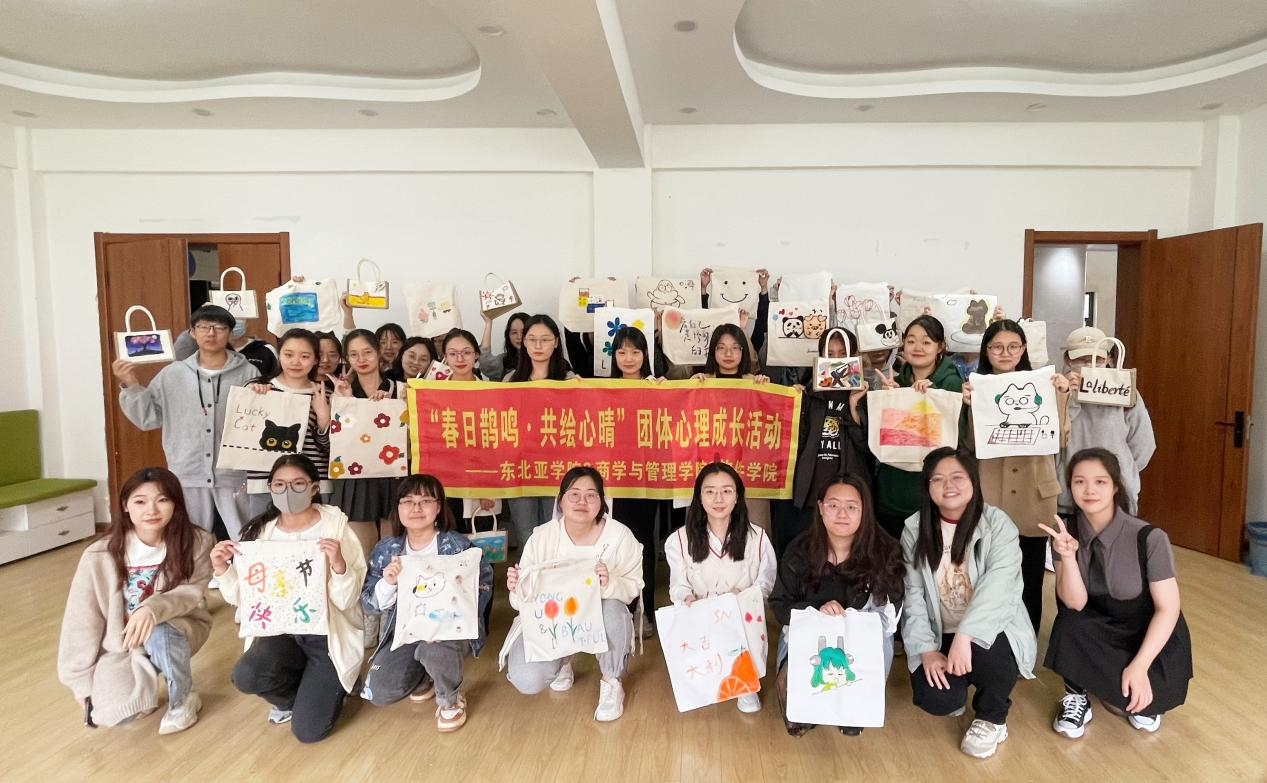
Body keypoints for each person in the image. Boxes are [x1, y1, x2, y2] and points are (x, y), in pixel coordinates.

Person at [212, 455, 367, 743]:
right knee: (246, 675)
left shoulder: (335, 529)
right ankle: (295, 696)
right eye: (279, 485)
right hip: (282, 634)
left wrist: (339, 565)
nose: (288, 491)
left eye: (298, 484)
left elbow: (347, 601)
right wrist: (222, 569)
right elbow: (244, 598)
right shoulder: (260, 532)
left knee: (308, 732)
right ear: (270, 488)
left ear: (314, 488)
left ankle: (331, 683)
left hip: (325, 637)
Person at [1040, 448, 1191, 738]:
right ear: (1070, 487)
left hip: (1146, 634)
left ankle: (1120, 679)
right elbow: (1075, 603)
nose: (1089, 490)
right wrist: (1068, 557)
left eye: (1100, 481)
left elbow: (1168, 609)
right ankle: (1076, 695)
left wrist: (1140, 666)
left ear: (1116, 487)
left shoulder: (1149, 537)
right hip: (1094, 630)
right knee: (1070, 621)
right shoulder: (1064, 533)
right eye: (1079, 481)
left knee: (1139, 702)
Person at [901, 447, 1037, 760]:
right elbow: (913, 595)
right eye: (938, 479)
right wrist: (926, 650)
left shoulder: (998, 524)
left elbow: (998, 588)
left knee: (986, 654)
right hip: (941, 631)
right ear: (927, 487)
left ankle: (992, 717)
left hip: (990, 628)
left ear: (974, 481)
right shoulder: (915, 529)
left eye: (957, 477)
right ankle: (959, 688)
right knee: (937, 697)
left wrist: (965, 636)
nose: (948, 485)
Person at [58, 467, 214, 734]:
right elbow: (81, 620)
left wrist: (151, 609)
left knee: (158, 631)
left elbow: (190, 593)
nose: (151, 510)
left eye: (162, 500)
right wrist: (80, 683)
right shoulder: (98, 554)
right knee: (115, 714)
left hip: (178, 627)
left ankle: (183, 697)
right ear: (125, 506)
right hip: (123, 645)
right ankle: (142, 686)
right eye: (140, 501)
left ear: (176, 504)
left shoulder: (196, 541)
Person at [500, 467, 643, 722]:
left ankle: (611, 679)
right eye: (574, 494)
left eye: (591, 495)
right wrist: (517, 588)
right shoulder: (542, 537)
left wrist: (609, 583)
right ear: (561, 500)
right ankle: (563, 659)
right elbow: (523, 602)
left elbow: (633, 585)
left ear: (602, 501)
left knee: (613, 609)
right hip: (555, 619)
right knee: (527, 677)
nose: (581, 502)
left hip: (601, 613)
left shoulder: (620, 536)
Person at [770, 475, 904, 736]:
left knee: (855, 695)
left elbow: (891, 614)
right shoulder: (799, 550)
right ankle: (807, 709)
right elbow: (779, 604)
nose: (842, 514)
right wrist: (815, 611)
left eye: (851, 507)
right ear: (820, 508)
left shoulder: (885, 551)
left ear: (864, 510)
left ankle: (854, 708)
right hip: (810, 633)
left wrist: (852, 618)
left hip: (862, 638)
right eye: (833, 505)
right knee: (795, 703)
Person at [359, 474, 493, 732]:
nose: (416, 508)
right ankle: (424, 678)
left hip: (449, 630)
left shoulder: (458, 547)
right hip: (405, 631)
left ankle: (450, 698)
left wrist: (461, 601)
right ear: (398, 508)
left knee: (435, 648)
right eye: (408, 501)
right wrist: (388, 583)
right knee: (380, 690)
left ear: (439, 507)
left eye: (425, 501)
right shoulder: (387, 550)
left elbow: (483, 586)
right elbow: (369, 606)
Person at [961, 319, 1070, 633]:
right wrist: (967, 407)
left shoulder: (1045, 384)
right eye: (997, 346)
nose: (1005, 352)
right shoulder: (976, 387)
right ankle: (992, 640)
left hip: (1034, 496)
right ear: (986, 351)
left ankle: (1027, 643)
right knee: (988, 573)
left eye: (1013, 346)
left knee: (1031, 578)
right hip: (991, 493)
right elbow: (969, 444)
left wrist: (1062, 396)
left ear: (1023, 349)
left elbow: (1061, 440)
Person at [113, 304, 257, 538]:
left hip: (234, 473)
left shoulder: (249, 373)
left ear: (230, 333)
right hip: (188, 470)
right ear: (192, 332)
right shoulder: (172, 374)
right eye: (204, 327)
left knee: (244, 536)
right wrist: (131, 384)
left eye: (219, 328)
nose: (211, 333)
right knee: (190, 539)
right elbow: (148, 418)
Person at [665, 463, 777, 713]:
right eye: (710, 491)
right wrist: (687, 597)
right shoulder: (679, 540)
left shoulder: (757, 538)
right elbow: (678, 585)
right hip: (701, 613)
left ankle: (746, 682)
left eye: (726, 491)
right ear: (699, 497)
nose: (718, 499)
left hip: (741, 615)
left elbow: (766, 582)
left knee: (747, 614)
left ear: (737, 496)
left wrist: (744, 598)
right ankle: (704, 678)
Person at [871, 315, 965, 540]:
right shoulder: (894, 383)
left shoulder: (952, 384)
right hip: (891, 492)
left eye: (926, 342)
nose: (918, 347)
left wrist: (935, 397)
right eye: (911, 341)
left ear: (940, 347)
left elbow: (960, 438)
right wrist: (888, 399)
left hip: (932, 496)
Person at [1057, 326, 1156, 517]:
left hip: (1117, 496)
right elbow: (1054, 439)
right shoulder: (1058, 391)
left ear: (1109, 359)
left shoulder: (1126, 393)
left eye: (1097, 359)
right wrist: (1068, 397)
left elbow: (1144, 444)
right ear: (1068, 360)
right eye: (1081, 358)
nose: (1089, 364)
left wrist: (1122, 470)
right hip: (1068, 498)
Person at [504, 315, 579, 548]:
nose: (538, 345)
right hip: (520, 469)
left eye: (545, 339)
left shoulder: (569, 380)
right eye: (532, 339)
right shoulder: (510, 381)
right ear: (523, 342)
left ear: (556, 342)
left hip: (557, 469)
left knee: (556, 531)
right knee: (525, 533)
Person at [608, 325, 663, 637]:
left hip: (646, 478)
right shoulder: (602, 389)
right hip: (612, 480)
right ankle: (620, 610)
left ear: (645, 355)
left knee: (643, 545)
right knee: (614, 545)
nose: (628, 358)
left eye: (635, 351)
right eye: (622, 351)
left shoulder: (657, 386)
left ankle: (645, 610)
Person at [243, 328, 332, 518]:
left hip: (313, 483)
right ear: (279, 355)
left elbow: (330, 450)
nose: (295, 362)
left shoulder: (325, 394)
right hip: (265, 482)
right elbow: (243, 437)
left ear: (316, 359)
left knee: (315, 535)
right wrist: (251, 397)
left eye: (304, 356)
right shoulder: (259, 389)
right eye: (288, 354)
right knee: (265, 533)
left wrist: (323, 419)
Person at [479, 310, 529, 382]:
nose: (519, 337)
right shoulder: (504, 361)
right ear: (508, 336)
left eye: (524, 332)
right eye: (514, 332)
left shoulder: (541, 359)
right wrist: (488, 323)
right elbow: (485, 362)